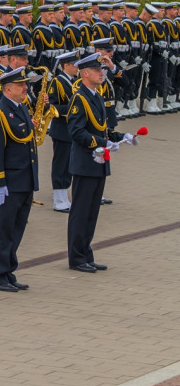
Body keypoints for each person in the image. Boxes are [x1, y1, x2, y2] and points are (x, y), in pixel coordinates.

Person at [67, 52, 134, 273]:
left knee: (92, 211)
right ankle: (76, 258)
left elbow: (103, 128)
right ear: (85, 73)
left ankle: (86, 253)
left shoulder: (96, 95)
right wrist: (102, 142)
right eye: (97, 70)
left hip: (99, 161)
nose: (101, 73)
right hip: (86, 161)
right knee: (81, 211)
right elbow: (76, 131)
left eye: (102, 70)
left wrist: (123, 137)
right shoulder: (80, 97)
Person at [0, 66, 39, 292]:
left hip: (25, 181)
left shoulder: (22, 108)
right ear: (8, 89)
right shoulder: (0, 112)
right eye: (21, 85)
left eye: (25, 84)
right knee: (3, 230)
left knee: (17, 229)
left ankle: (8, 271)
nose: (25, 88)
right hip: (9, 183)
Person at [49, 50, 80, 213]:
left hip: (71, 129)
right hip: (61, 128)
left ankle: (64, 196)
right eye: (74, 64)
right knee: (60, 164)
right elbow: (52, 106)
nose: (77, 67)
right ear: (66, 65)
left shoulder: (75, 81)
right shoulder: (57, 82)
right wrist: (72, 109)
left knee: (68, 164)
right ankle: (58, 198)